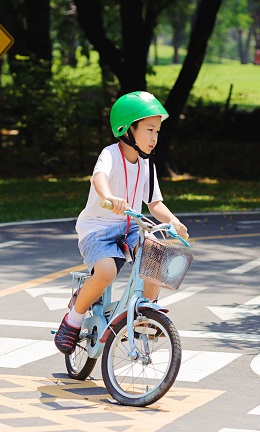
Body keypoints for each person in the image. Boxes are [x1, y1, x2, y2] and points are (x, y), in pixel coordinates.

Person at [54, 91, 189, 355]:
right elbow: (99, 177)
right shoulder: (110, 154)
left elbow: (154, 204)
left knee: (156, 253)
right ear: (127, 129)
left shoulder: (147, 165)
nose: (154, 137)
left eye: (158, 131)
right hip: (98, 229)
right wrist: (108, 197)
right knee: (106, 273)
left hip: (129, 228)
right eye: (149, 129)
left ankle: (147, 310)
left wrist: (174, 221)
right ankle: (74, 318)